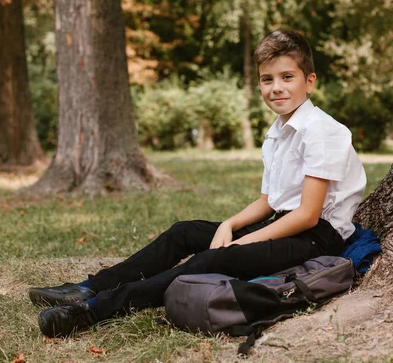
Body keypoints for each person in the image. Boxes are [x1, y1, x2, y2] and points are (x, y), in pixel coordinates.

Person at [30, 29, 367, 338]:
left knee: (210, 260)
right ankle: (89, 287)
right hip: (284, 226)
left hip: (316, 238)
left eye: (287, 77)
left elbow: (308, 215)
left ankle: (92, 310)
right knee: (185, 232)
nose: (276, 87)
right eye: (267, 79)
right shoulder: (277, 133)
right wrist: (230, 225)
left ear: (309, 81)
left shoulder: (322, 131)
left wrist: (243, 243)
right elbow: (269, 201)